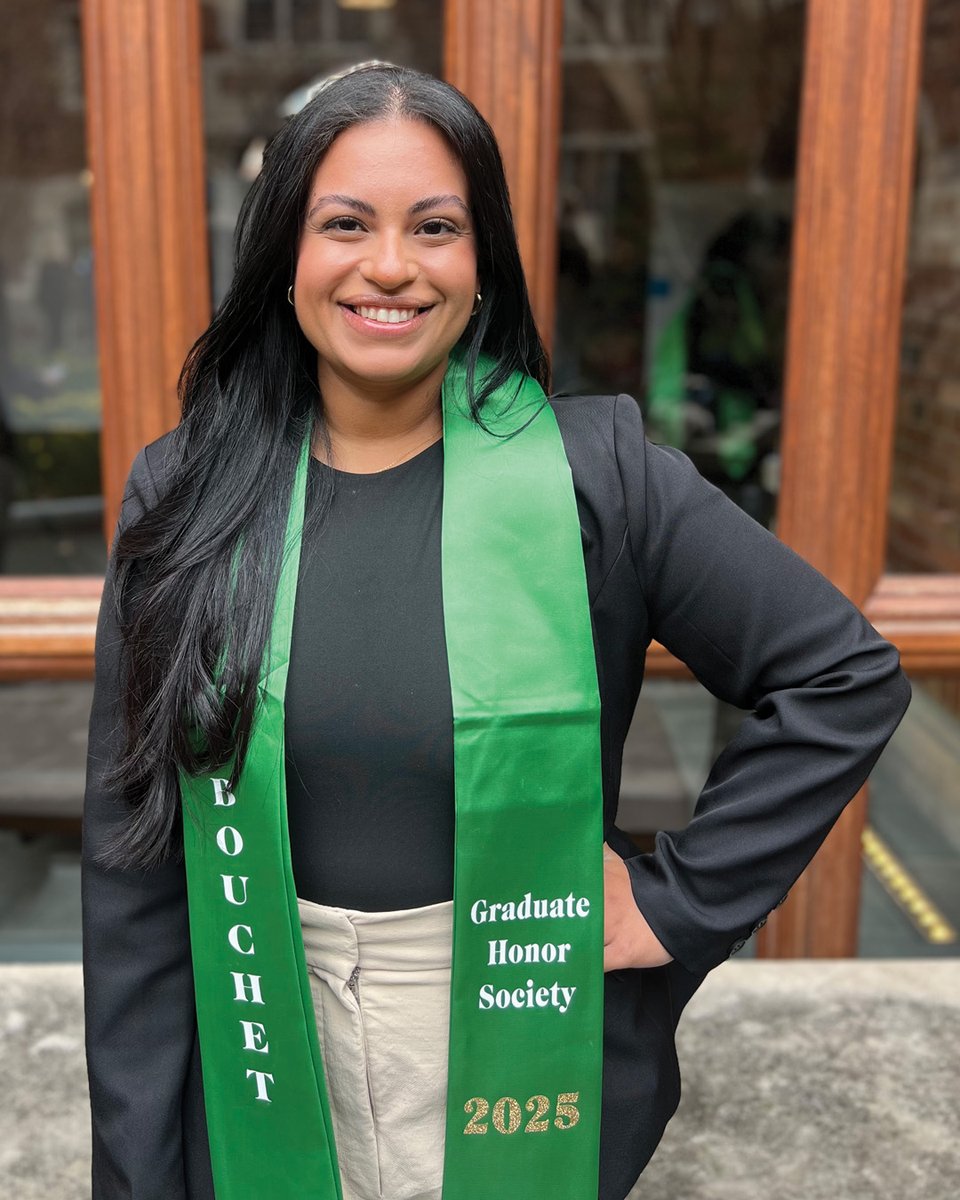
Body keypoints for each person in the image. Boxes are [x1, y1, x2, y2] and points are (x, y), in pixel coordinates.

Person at [82, 64, 910, 1200]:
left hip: (504, 1026)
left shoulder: (595, 477)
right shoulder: (185, 495)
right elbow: (133, 865)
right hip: (253, 1027)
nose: (389, 265)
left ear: (483, 267)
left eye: (435, 227)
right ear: (283, 258)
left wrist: (678, 900)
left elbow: (842, 676)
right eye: (344, 225)